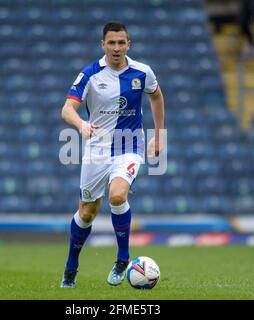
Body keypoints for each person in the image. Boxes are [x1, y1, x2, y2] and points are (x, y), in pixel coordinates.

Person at [59, 21, 165, 288]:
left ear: (128, 44)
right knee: (87, 212)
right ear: (103, 45)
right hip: (97, 150)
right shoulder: (90, 74)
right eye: (111, 43)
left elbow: (156, 96)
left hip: (129, 146)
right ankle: (71, 265)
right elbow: (67, 109)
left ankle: (122, 259)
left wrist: (159, 134)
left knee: (117, 195)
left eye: (121, 43)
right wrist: (81, 124)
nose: (116, 48)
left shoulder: (143, 72)